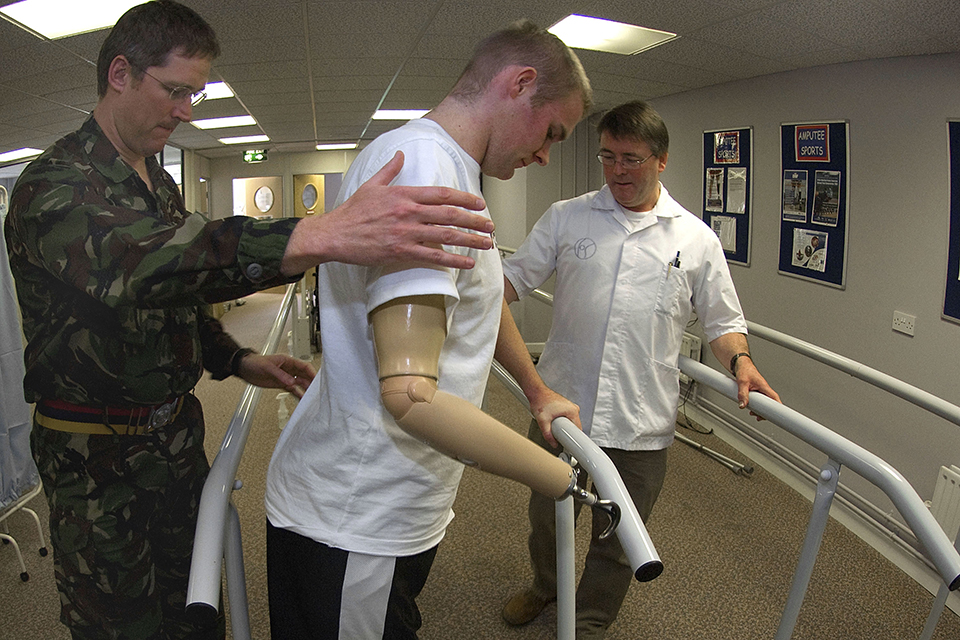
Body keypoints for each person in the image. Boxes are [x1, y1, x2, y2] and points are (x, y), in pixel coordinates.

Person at [2, 1, 499, 638]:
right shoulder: (56, 185)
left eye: (195, 95)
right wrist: (317, 235)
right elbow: (146, 268)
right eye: (176, 90)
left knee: (197, 608)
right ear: (120, 73)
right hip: (93, 456)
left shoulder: (156, 178)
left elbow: (174, 301)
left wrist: (236, 358)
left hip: (173, 440)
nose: (186, 111)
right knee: (119, 624)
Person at [264, 19, 595, 639]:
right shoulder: (425, 168)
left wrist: (536, 390)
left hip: (388, 499)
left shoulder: (447, 166)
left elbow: (479, 293)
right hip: (357, 510)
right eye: (552, 131)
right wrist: (556, 477)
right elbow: (410, 396)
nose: (547, 154)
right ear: (520, 83)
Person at [500, 100, 782, 638]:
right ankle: (546, 588)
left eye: (630, 159)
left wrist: (741, 362)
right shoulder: (568, 216)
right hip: (562, 409)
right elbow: (509, 283)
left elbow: (723, 321)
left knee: (620, 535)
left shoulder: (695, 239)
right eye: (608, 157)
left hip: (641, 419)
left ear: (661, 161)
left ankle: (589, 620)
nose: (616, 171)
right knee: (546, 517)